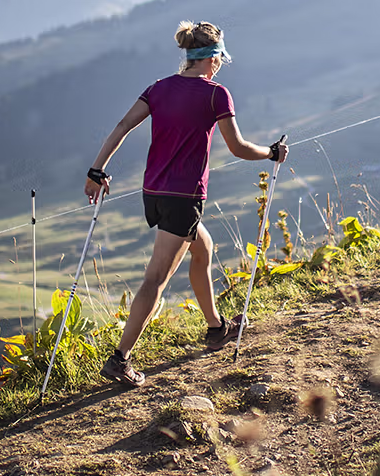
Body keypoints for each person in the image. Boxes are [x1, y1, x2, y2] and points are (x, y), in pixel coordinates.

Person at [85, 20, 288, 388]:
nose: (221, 67)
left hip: (155, 192)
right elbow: (239, 148)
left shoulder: (159, 89)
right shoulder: (216, 95)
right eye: (220, 60)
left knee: (203, 249)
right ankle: (120, 359)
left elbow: (122, 125)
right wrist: (272, 153)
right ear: (213, 59)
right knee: (156, 278)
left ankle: (215, 328)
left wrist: (97, 170)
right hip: (184, 196)